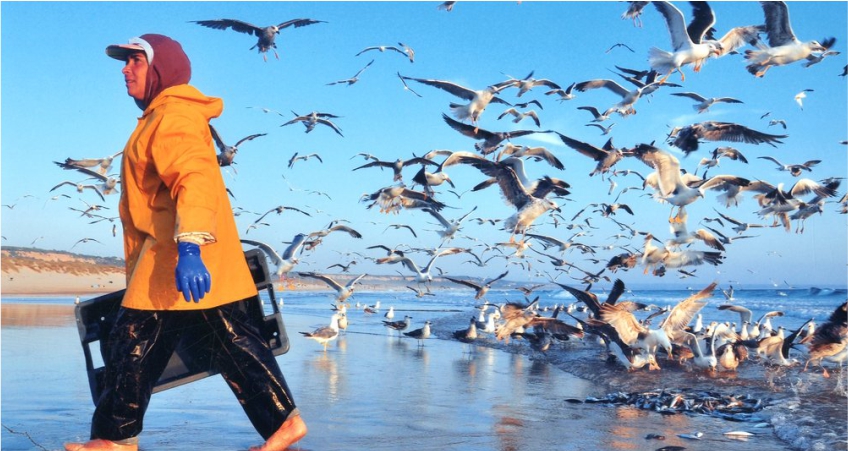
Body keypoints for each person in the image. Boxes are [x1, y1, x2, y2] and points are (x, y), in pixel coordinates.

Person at [64, 34, 307, 451]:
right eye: (125, 61)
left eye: (136, 61)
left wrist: (191, 247)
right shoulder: (163, 115)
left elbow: (193, 179)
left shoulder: (173, 114)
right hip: (177, 256)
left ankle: (114, 439)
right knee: (230, 340)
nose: (125, 69)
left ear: (160, 68)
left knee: (133, 340)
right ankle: (284, 423)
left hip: (176, 256)